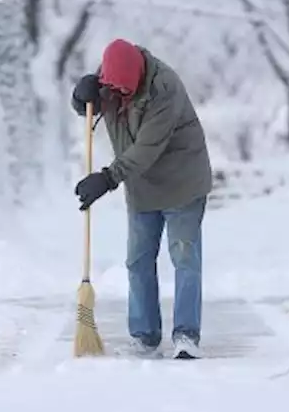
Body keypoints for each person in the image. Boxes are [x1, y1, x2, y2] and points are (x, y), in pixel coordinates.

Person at [71, 39, 213, 359]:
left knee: (184, 257)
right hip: (141, 184)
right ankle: (145, 336)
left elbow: (146, 149)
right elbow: (91, 108)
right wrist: (81, 98)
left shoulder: (165, 88)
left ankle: (186, 336)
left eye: (126, 92)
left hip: (182, 180)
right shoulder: (108, 80)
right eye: (114, 91)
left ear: (137, 77)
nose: (120, 97)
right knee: (137, 261)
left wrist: (107, 178)